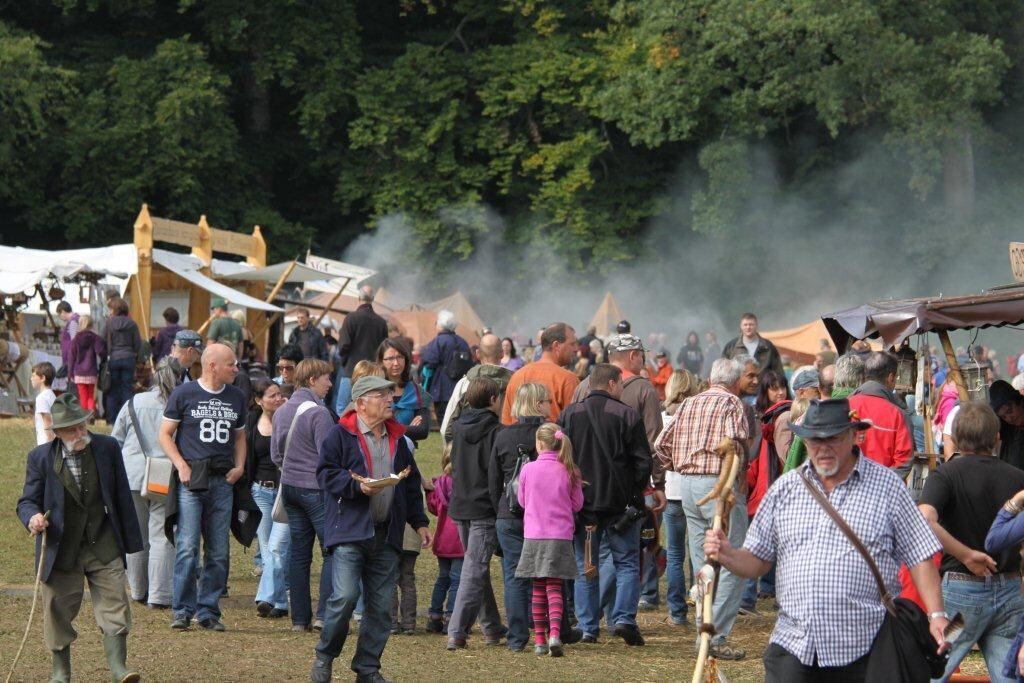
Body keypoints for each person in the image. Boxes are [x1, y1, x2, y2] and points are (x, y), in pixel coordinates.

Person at [704, 398, 949, 681]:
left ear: (854, 435)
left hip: (864, 647)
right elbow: (757, 559)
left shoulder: (887, 487)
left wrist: (937, 615)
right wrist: (728, 554)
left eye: (832, 438)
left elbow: (920, 556)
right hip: (794, 645)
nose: (823, 448)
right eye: (814, 440)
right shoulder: (785, 489)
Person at [310, 375, 432, 683]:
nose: (390, 400)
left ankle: (367, 669)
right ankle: (325, 656)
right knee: (345, 598)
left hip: (386, 534)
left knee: (379, 609)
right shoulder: (339, 435)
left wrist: (419, 523)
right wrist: (355, 486)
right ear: (361, 403)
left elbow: (410, 481)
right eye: (382, 395)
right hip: (350, 531)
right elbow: (325, 474)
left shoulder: (398, 439)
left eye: (390, 394)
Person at [17, 392, 144, 683]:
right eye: (73, 428)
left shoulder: (108, 448)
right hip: (62, 549)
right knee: (57, 611)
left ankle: (119, 669)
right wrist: (33, 518)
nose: (81, 432)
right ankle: (60, 673)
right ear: (57, 432)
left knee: (115, 604)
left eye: (83, 425)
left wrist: (131, 541)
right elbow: (26, 501)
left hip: (104, 542)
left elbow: (122, 495)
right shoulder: (40, 458)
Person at [652, 357, 751, 660]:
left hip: (688, 485)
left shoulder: (689, 403)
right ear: (735, 383)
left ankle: (702, 630)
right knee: (733, 558)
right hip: (718, 484)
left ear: (710, 380)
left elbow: (660, 444)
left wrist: (680, 465)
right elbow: (736, 444)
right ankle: (716, 636)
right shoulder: (732, 403)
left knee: (702, 560)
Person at [918, 402, 1024, 682]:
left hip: (962, 603)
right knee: (1009, 676)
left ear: (953, 437)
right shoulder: (1018, 478)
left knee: (937, 667)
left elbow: (924, 519)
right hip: (1010, 594)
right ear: (997, 438)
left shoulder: (946, 475)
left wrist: (964, 554)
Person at [559, 363, 653, 646]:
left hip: (583, 507)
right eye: (621, 384)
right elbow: (642, 461)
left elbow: (562, 460)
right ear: (612, 383)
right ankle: (624, 618)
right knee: (626, 563)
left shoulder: (569, 415)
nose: (622, 389)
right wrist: (633, 492)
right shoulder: (626, 414)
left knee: (586, 565)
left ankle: (588, 627)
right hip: (619, 505)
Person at [159, 343, 247, 631]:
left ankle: (208, 610)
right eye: (231, 364)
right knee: (187, 546)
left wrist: (240, 467)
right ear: (212, 366)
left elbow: (239, 437)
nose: (236, 368)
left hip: (223, 480)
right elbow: (165, 434)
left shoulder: (236, 396)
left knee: (219, 549)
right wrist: (181, 465)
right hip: (192, 479)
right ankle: (182, 609)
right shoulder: (184, 393)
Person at [272, 358, 337, 632]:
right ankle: (323, 615)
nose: (330, 384)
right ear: (312, 380)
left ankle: (300, 619)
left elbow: (276, 454)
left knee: (299, 554)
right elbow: (329, 456)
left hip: (289, 488)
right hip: (315, 490)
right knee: (331, 551)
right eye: (326, 378)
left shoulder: (281, 411)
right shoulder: (320, 414)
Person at [111, 358, 181, 610]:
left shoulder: (133, 402)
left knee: (136, 535)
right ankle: (160, 595)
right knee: (162, 535)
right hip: (164, 474)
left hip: (132, 474)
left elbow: (115, 440)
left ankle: (138, 590)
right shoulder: (179, 404)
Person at [489, 382, 551, 652]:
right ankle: (547, 630)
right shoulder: (550, 436)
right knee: (545, 575)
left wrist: (499, 510)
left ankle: (516, 638)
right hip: (542, 515)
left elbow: (493, 481)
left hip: (508, 512)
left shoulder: (502, 436)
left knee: (514, 577)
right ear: (538, 404)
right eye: (547, 401)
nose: (551, 405)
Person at [446, 377, 507, 649]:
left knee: (475, 568)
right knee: (474, 570)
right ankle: (457, 630)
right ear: (493, 400)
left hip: (461, 503)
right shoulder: (497, 431)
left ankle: (492, 627)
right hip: (483, 506)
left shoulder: (458, 428)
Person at [515, 422, 585, 657]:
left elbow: (522, 502)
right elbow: (577, 504)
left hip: (534, 535)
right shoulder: (570, 469)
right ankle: (555, 633)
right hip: (560, 536)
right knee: (556, 587)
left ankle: (539, 639)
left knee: (537, 588)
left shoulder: (528, 469)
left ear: (539, 443)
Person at [739, 370, 791, 615]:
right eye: (774, 388)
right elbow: (755, 458)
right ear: (765, 392)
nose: (779, 392)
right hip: (763, 487)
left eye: (782, 387)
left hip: (771, 486)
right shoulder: (763, 419)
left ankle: (768, 588)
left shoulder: (784, 416)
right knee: (759, 543)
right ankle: (748, 598)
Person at [659, 368, 702, 626]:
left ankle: (677, 611)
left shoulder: (663, 415)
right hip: (694, 486)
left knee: (675, 554)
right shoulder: (696, 414)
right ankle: (700, 607)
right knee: (696, 552)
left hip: (672, 489)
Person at [245, 379, 290, 619]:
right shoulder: (252, 421)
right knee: (267, 549)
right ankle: (280, 602)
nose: (278, 398)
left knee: (277, 548)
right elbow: (247, 458)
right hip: (260, 491)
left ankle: (266, 597)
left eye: (279, 394)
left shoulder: (290, 419)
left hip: (285, 493)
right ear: (259, 400)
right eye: (272, 395)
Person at [848, 352, 914, 473]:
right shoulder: (898, 415)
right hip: (885, 489)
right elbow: (903, 462)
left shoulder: (843, 406)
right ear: (890, 378)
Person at [501, 323, 580, 425]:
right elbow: (575, 425)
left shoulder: (517, 376)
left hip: (516, 439)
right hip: (553, 440)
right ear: (556, 345)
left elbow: (506, 422)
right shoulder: (568, 380)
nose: (576, 349)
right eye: (572, 344)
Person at [442, 333, 513, 442]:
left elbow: (447, 426)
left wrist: (452, 451)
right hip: (503, 446)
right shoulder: (514, 384)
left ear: (477, 354)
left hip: (468, 449)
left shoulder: (464, 384)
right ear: (502, 354)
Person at [426, 445, 465, 635]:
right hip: (460, 540)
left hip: (443, 539)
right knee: (457, 580)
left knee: (442, 578)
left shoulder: (440, 484)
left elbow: (434, 508)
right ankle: (452, 616)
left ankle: (434, 615)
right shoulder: (466, 484)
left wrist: (428, 493)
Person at [421, 309, 472, 423]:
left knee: (443, 419)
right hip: (462, 388)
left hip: (442, 389)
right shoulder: (463, 342)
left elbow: (429, 363)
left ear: (441, 325)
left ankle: (448, 441)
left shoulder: (438, 341)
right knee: (459, 419)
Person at [377, 338, 430, 441]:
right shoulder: (374, 390)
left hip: (406, 451)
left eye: (400, 357)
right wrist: (408, 428)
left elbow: (422, 431)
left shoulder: (416, 392)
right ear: (381, 361)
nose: (396, 363)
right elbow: (371, 427)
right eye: (390, 358)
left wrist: (389, 428)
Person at [338, 285, 389, 377]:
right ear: (373, 298)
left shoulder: (351, 318)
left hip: (352, 372)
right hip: (373, 373)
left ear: (359, 298)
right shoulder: (381, 322)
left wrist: (345, 362)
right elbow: (384, 349)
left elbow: (343, 346)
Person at [104, 296, 141, 423]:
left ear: (114, 310)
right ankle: (127, 418)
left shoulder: (109, 323)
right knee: (126, 389)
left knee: (112, 390)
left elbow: (104, 340)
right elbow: (137, 343)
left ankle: (111, 419)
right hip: (129, 358)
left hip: (113, 358)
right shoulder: (132, 323)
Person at [721, 312, 785, 378]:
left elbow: (778, 370)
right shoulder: (731, 346)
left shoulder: (767, 346)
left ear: (756, 326)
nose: (748, 327)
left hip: (762, 387)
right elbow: (723, 369)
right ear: (741, 326)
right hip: (739, 387)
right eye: (745, 325)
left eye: (751, 324)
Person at [68, 315, 106, 414]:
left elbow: (71, 357)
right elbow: (100, 351)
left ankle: (84, 416)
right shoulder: (95, 338)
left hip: (79, 372)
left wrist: (70, 373)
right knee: (90, 395)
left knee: (82, 395)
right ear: (91, 324)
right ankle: (90, 414)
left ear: (80, 324)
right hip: (91, 371)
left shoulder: (76, 339)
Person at [32, 361, 57, 445]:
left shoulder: (41, 398)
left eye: (33, 376)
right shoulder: (52, 395)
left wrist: (50, 447)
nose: (31, 378)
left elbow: (48, 423)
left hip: (45, 444)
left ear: (42, 378)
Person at [56, 300, 80, 374]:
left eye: (59, 314)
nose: (59, 317)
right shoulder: (75, 320)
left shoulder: (73, 322)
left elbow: (74, 341)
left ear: (63, 312)